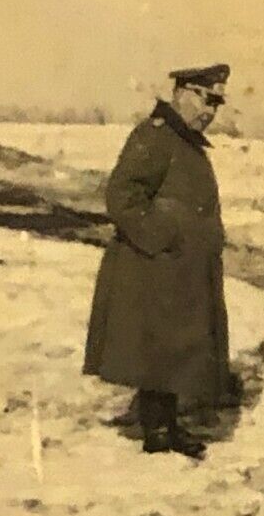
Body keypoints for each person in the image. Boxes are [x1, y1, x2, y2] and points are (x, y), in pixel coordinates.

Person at [83, 63, 232, 458]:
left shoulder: (183, 142)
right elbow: (122, 195)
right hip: (154, 268)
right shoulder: (156, 137)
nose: (210, 112)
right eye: (205, 99)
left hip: (176, 268)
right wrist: (161, 239)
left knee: (171, 351)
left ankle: (167, 425)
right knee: (157, 351)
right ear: (181, 93)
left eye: (217, 104)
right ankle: (158, 432)